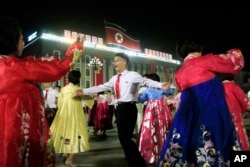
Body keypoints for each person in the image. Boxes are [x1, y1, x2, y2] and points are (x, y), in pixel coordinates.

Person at [0, 16, 83, 167]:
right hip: (17, 130)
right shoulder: (19, 66)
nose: (23, 42)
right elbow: (57, 68)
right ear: (10, 41)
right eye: (20, 38)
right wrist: (76, 47)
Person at [157, 36, 244, 167]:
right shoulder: (205, 61)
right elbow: (236, 61)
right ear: (199, 48)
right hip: (213, 117)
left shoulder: (179, 73)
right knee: (222, 145)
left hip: (188, 120)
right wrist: (231, 51)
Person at [76, 52, 170, 167]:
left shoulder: (132, 75)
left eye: (117, 60)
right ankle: (134, 162)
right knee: (123, 138)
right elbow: (102, 86)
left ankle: (138, 164)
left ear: (124, 62)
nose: (114, 63)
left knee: (125, 138)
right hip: (119, 108)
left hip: (129, 107)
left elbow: (146, 81)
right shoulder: (114, 78)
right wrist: (84, 91)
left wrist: (160, 85)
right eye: (114, 61)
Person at [50, 70, 90, 166]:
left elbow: (59, 101)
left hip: (63, 115)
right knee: (76, 135)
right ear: (78, 79)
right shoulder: (78, 89)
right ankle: (69, 159)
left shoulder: (63, 89)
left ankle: (65, 152)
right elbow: (88, 99)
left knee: (65, 133)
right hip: (75, 116)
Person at [137, 73, 176, 165]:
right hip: (163, 112)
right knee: (163, 129)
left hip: (151, 112)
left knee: (151, 130)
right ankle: (165, 152)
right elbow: (171, 90)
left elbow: (140, 99)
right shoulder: (162, 90)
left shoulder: (147, 90)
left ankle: (152, 153)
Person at [219, 73, 250, 150]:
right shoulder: (233, 87)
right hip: (236, 122)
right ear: (233, 80)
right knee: (241, 146)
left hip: (221, 122)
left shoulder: (216, 89)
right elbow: (247, 104)